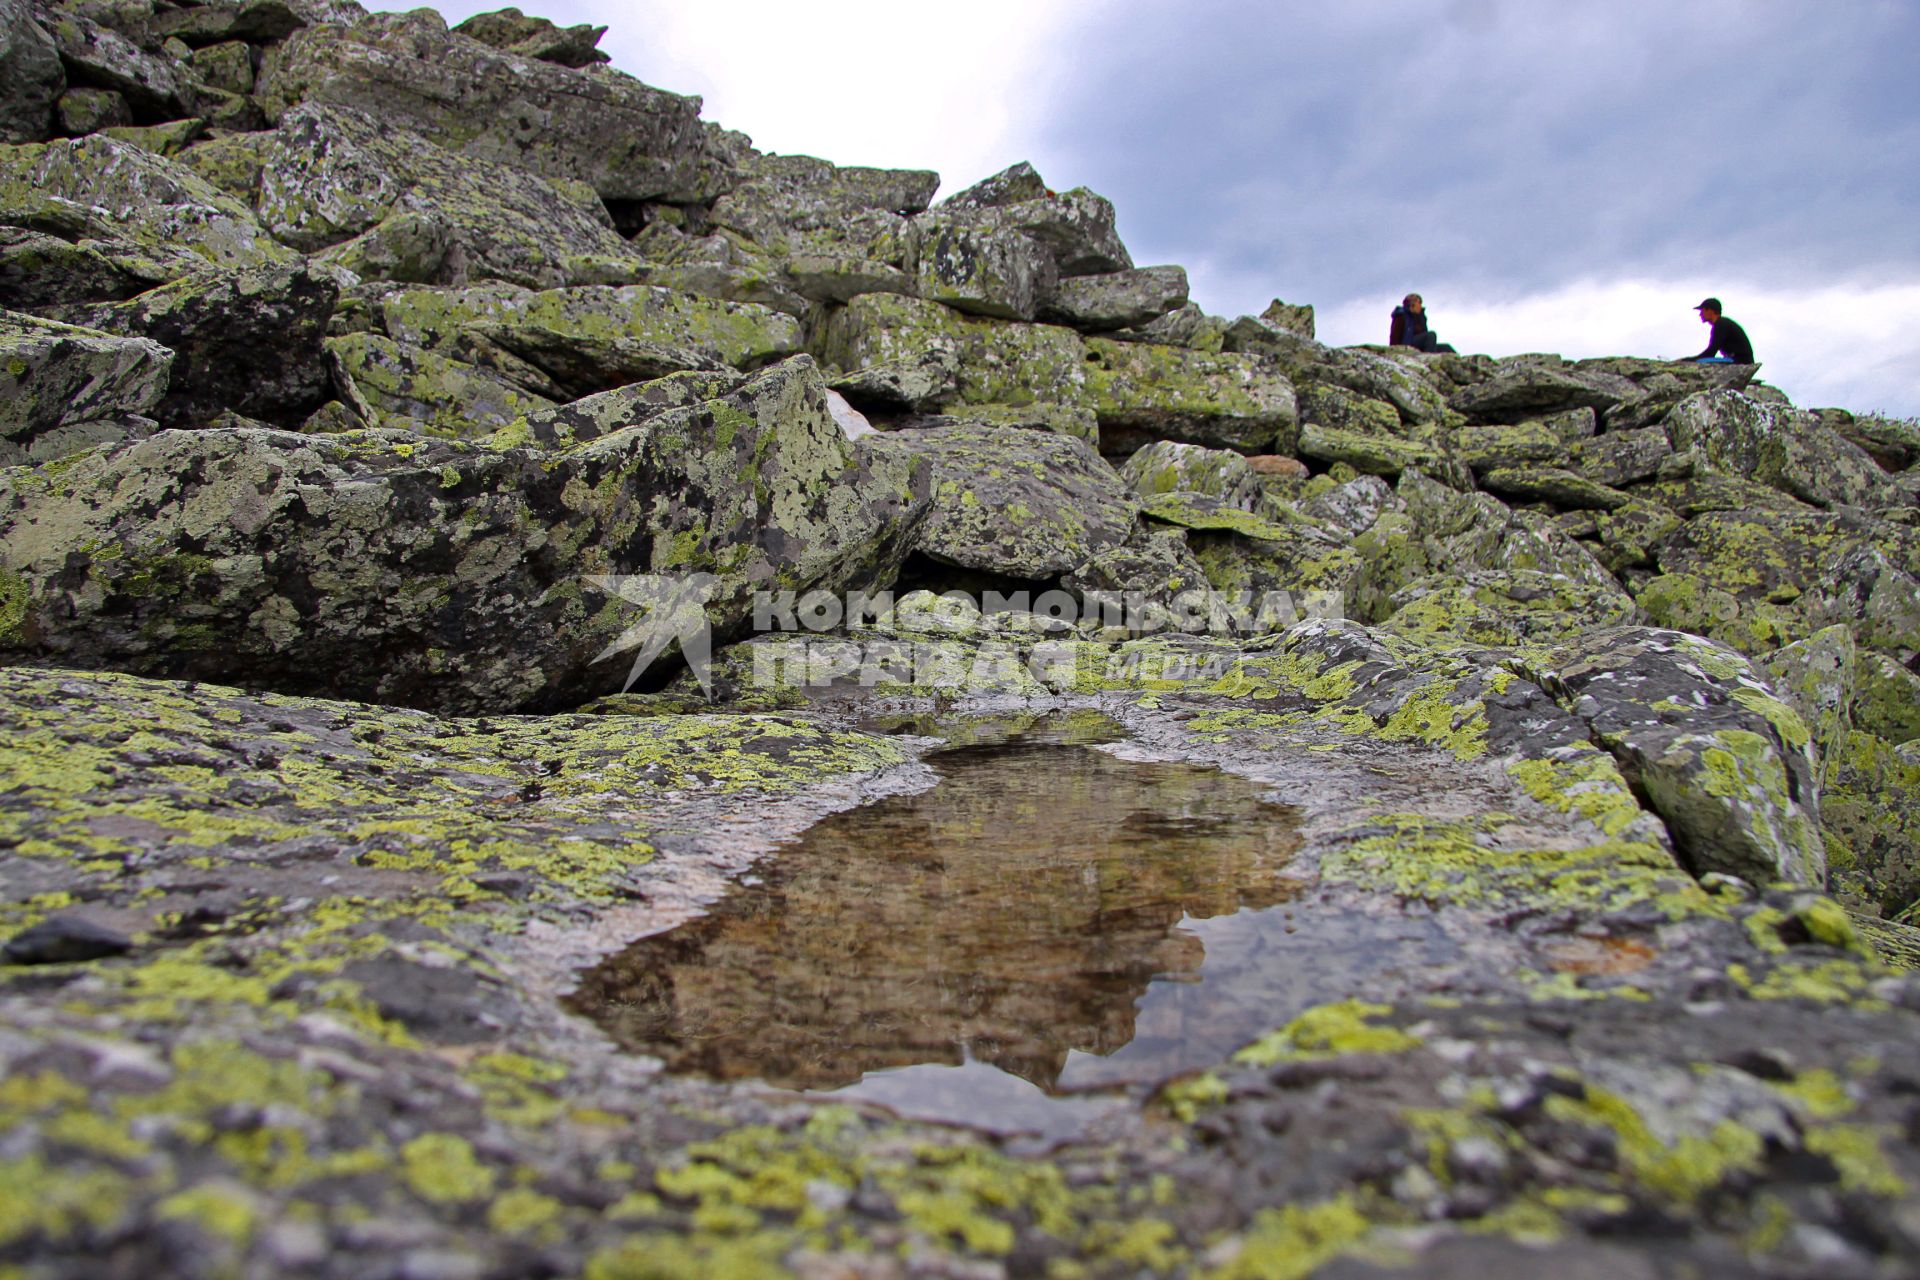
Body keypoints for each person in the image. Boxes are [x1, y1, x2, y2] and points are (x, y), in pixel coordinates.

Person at [1685, 297, 1754, 364]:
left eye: (1702, 311)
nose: (1700, 314)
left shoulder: (1721, 324)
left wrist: (1689, 360)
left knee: (1699, 362)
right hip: (1739, 360)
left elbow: (1711, 352)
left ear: (1710, 310)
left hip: (1739, 361)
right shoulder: (1721, 323)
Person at [1389, 293, 1456, 353]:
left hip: (1420, 346)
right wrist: (1395, 351)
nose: (1420, 306)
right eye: (1419, 303)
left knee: (1446, 347)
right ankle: (1429, 357)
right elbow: (1394, 337)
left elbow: (1424, 332)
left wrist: (1420, 316)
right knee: (1431, 335)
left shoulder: (1420, 317)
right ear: (1412, 304)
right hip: (1407, 345)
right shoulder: (1401, 316)